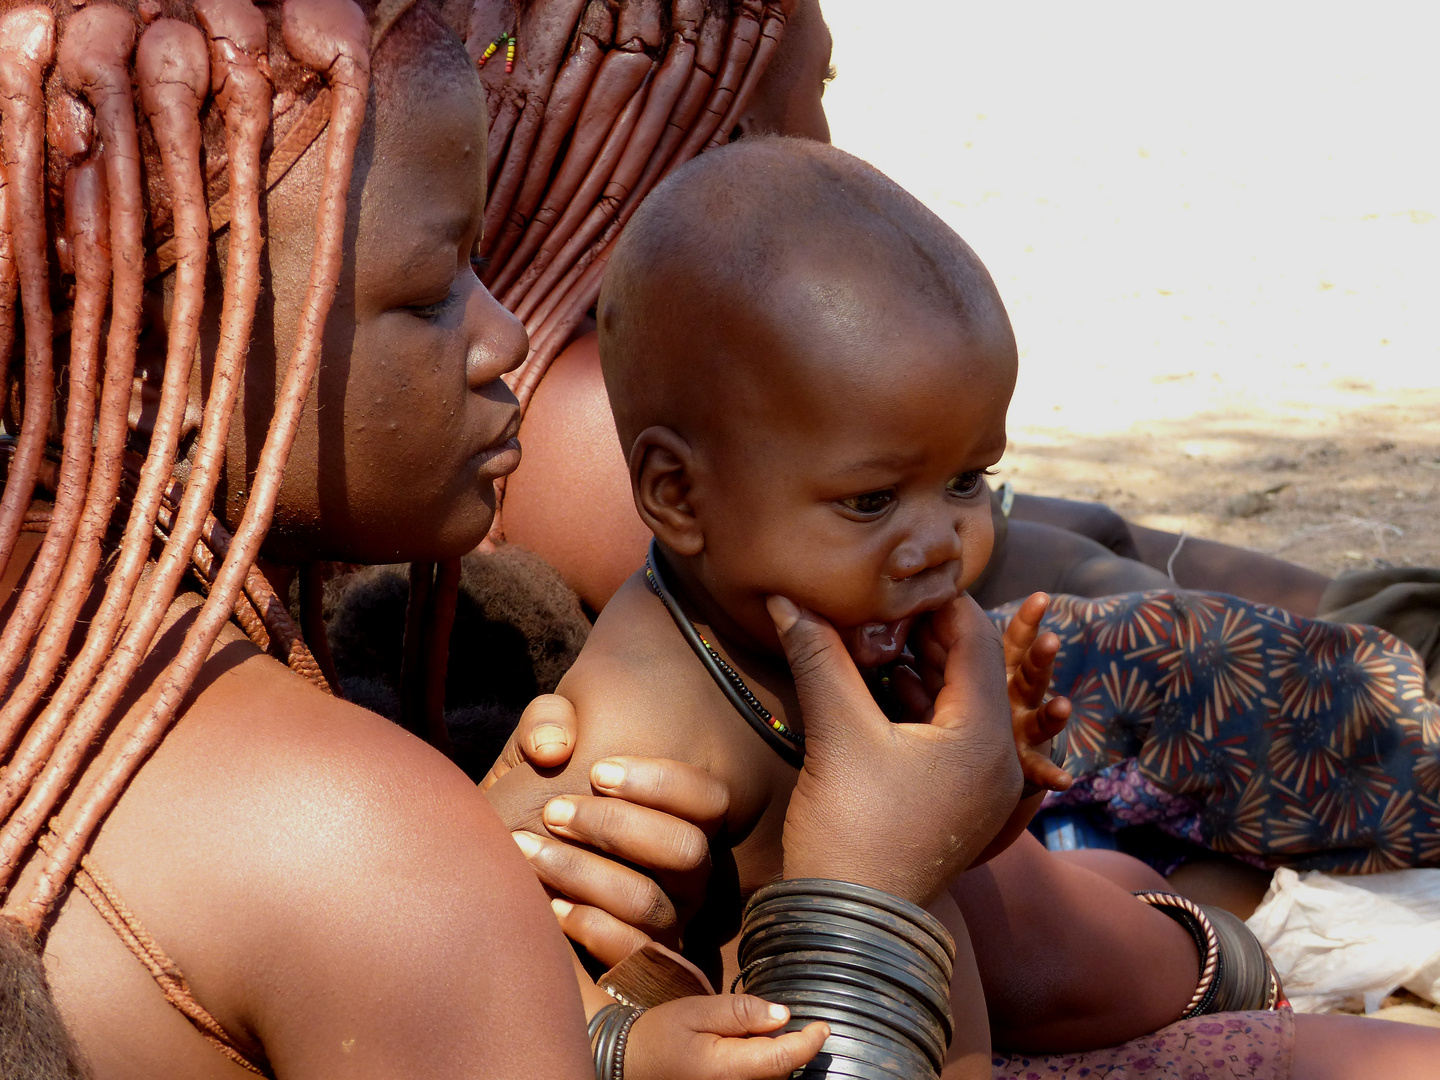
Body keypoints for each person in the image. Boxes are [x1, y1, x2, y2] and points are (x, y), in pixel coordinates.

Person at [0, 3, 1016, 1077]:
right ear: (172, 360)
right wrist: (870, 895)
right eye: (437, 289)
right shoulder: (359, 841)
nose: (507, 334)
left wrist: (603, 1037)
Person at [481, 136, 1440, 1077]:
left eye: (968, 480)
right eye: (870, 500)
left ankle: (1216, 932)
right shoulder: (629, 736)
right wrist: (620, 1045)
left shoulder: (844, 640)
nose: (943, 542)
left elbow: (950, 886)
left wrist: (992, 789)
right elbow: (481, 1001)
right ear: (678, 495)